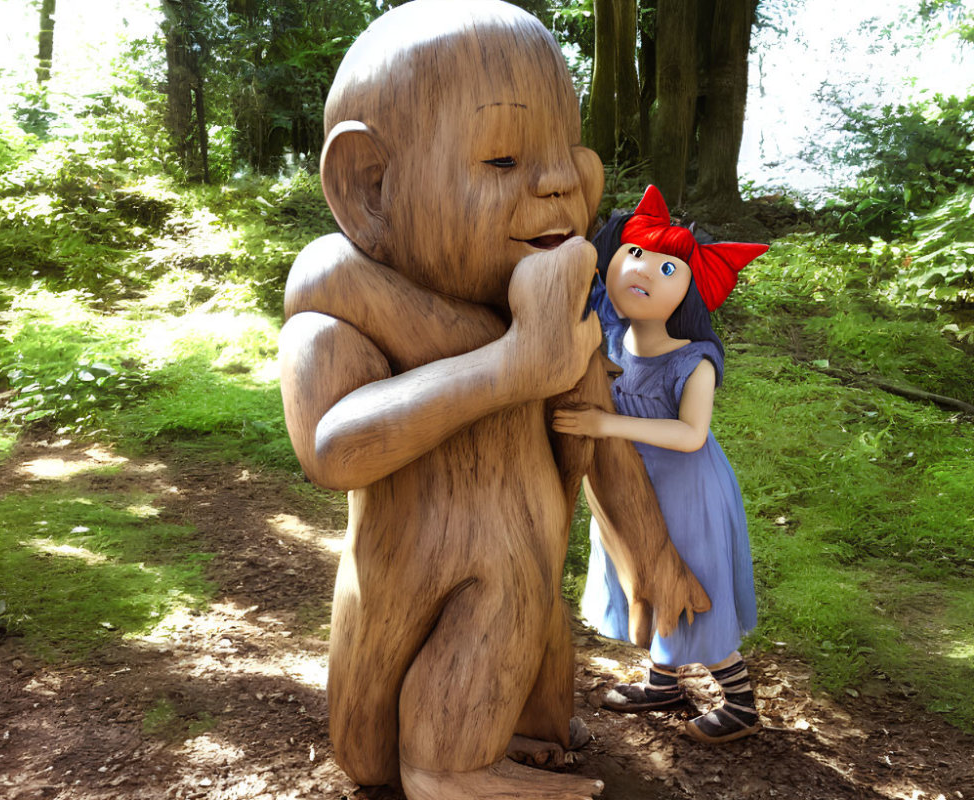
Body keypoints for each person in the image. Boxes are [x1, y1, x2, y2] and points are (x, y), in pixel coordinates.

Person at [278, 3, 709, 798]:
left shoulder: (549, 309)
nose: (558, 181)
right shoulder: (337, 311)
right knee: (499, 566)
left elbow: (595, 435)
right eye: (506, 159)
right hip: (404, 622)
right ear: (370, 187)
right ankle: (446, 762)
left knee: (526, 581)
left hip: (523, 604)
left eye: (565, 151)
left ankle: (518, 730)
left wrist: (647, 550)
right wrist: (509, 368)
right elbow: (333, 448)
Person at [552, 184, 769, 744]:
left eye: (668, 268)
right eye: (636, 253)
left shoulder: (693, 361)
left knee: (688, 581)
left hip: (687, 488)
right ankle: (664, 681)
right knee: (642, 574)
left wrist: (605, 426)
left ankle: (740, 702)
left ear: (692, 294)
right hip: (631, 482)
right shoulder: (615, 336)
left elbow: (691, 434)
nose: (641, 270)